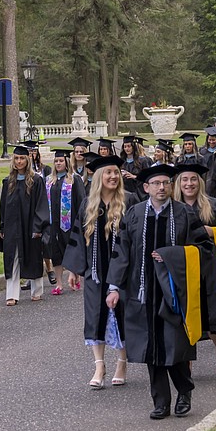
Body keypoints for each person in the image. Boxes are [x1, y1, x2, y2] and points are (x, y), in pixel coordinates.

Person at [106, 164, 211, 419]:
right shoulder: (134, 214)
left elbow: (204, 250)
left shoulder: (185, 214)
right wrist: (114, 287)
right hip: (142, 290)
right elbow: (121, 253)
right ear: (146, 187)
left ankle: (184, 390)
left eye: (165, 183)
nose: (161, 187)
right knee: (151, 347)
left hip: (175, 291)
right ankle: (161, 402)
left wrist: (171, 255)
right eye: (156, 183)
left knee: (174, 347)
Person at [63, 155, 134, 389]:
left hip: (122, 271)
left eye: (116, 172)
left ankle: (122, 362)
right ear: (99, 178)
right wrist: (73, 269)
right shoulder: (88, 204)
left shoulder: (129, 201)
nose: (113, 176)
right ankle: (99, 365)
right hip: (95, 271)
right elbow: (77, 236)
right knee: (95, 315)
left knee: (122, 315)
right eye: (108, 173)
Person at [172, 162, 216, 374]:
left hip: (211, 270)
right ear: (178, 183)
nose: (189, 184)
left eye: (193, 179)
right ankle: (186, 362)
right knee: (183, 318)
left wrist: (215, 232)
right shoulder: (172, 209)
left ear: (200, 182)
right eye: (184, 179)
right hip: (182, 271)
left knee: (214, 316)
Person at [0, 143, 48, 305]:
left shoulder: (36, 181)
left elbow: (41, 205)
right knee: (12, 258)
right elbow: (2, 207)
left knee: (33, 255)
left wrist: (38, 226)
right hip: (12, 227)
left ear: (27, 160)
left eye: (22, 158)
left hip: (30, 225)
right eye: (16, 158)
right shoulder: (8, 182)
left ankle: (37, 290)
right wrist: (3, 226)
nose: (19, 161)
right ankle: (11, 294)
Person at [45, 150, 86, 295]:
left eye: (61, 161)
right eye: (56, 161)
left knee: (71, 249)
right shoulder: (49, 181)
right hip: (53, 223)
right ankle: (59, 284)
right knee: (55, 252)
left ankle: (75, 277)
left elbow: (81, 200)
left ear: (66, 162)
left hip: (70, 222)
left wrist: (80, 220)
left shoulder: (75, 179)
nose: (58, 163)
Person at [119, 135, 151, 199]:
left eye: (129, 146)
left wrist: (134, 177)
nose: (127, 149)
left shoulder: (142, 161)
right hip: (125, 193)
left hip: (139, 194)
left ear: (133, 147)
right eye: (125, 147)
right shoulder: (121, 162)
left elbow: (147, 178)